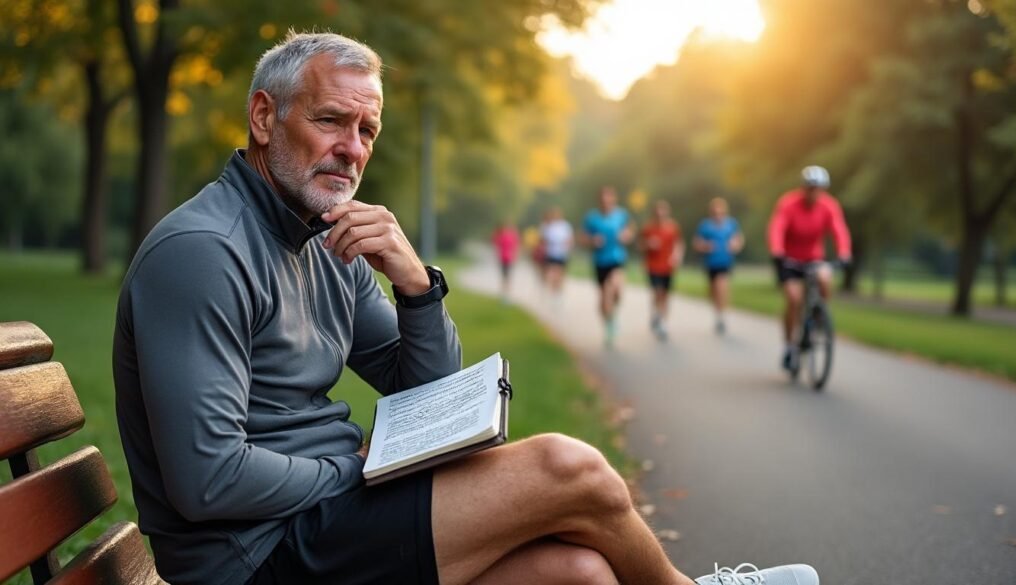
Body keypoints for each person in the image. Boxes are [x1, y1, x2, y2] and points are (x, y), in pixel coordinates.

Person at [113, 31, 819, 585]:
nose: (351, 150)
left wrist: (417, 286)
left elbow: (430, 394)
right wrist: (356, 466)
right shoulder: (202, 251)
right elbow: (208, 480)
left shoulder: (329, 238)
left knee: (579, 573)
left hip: (319, 524)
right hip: (253, 557)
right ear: (264, 117)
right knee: (568, 469)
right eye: (331, 121)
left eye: (367, 131)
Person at [767, 165, 852, 371]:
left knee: (824, 279)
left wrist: (844, 253)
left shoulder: (829, 206)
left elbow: (839, 230)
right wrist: (777, 251)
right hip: (788, 258)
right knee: (794, 298)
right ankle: (789, 346)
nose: (814, 192)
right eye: (810, 188)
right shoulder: (788, 203)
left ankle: (817, 317)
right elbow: (777, 228)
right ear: (803, 188)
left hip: (813, 257)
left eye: (819, 189)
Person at [583, 186, 635, 348]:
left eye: (609, 199)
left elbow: (631, 230)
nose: (606, 202)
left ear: (613, 199)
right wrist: (592, 241)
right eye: (603, 200)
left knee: (615, 289)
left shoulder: (622, 215)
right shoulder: (592, 218)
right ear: (600, 201)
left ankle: (612, 314)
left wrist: (626, 235)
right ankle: (609, 323)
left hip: (617, 259)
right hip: (600, 261)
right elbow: (583, 237)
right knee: (604, 299)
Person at [693, 197, 744, 334]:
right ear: (711, 212)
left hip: (725, 262)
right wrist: (705, 246)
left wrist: (735, 245)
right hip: (710, 263)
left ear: (724, 211)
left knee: (722, 286)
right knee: (713, 291)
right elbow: (697, 243)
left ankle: (722, 315)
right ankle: (717, 313)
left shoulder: (731, 224)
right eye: (715, 212)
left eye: (720, 212)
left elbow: (739, 239)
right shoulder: (705, 225)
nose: (718, 214)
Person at [639, 200, 683, 341]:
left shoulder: (673, 227)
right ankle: (656, 314)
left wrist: (677, 256)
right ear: (654, 213)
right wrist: (648, 244)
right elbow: (640, 246)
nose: (660, 214)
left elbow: (679, 244)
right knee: (657, 291)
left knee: (665, 294)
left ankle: (663, 322)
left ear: (667, 212)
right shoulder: (648, 228)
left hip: (668, 266)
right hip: (652, 265)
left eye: (663, 211)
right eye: (657, 211)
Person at [539, 206, 574, 297]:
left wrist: (567, 246)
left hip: (562, 253)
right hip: (551, 253)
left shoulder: (565, 225)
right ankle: (552, 290)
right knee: (550, 273)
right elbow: (543, 239)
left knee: (559, 273)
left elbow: (569, 239)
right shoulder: (549, 226)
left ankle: (557, 291)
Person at [492, 219, 519, 302]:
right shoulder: (508, 235)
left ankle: (505, 295)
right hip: (505, 258)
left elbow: (515, 246)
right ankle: (505, 294)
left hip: (507, 258)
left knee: (506, 276)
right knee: (506, 276)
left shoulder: (506, 235)